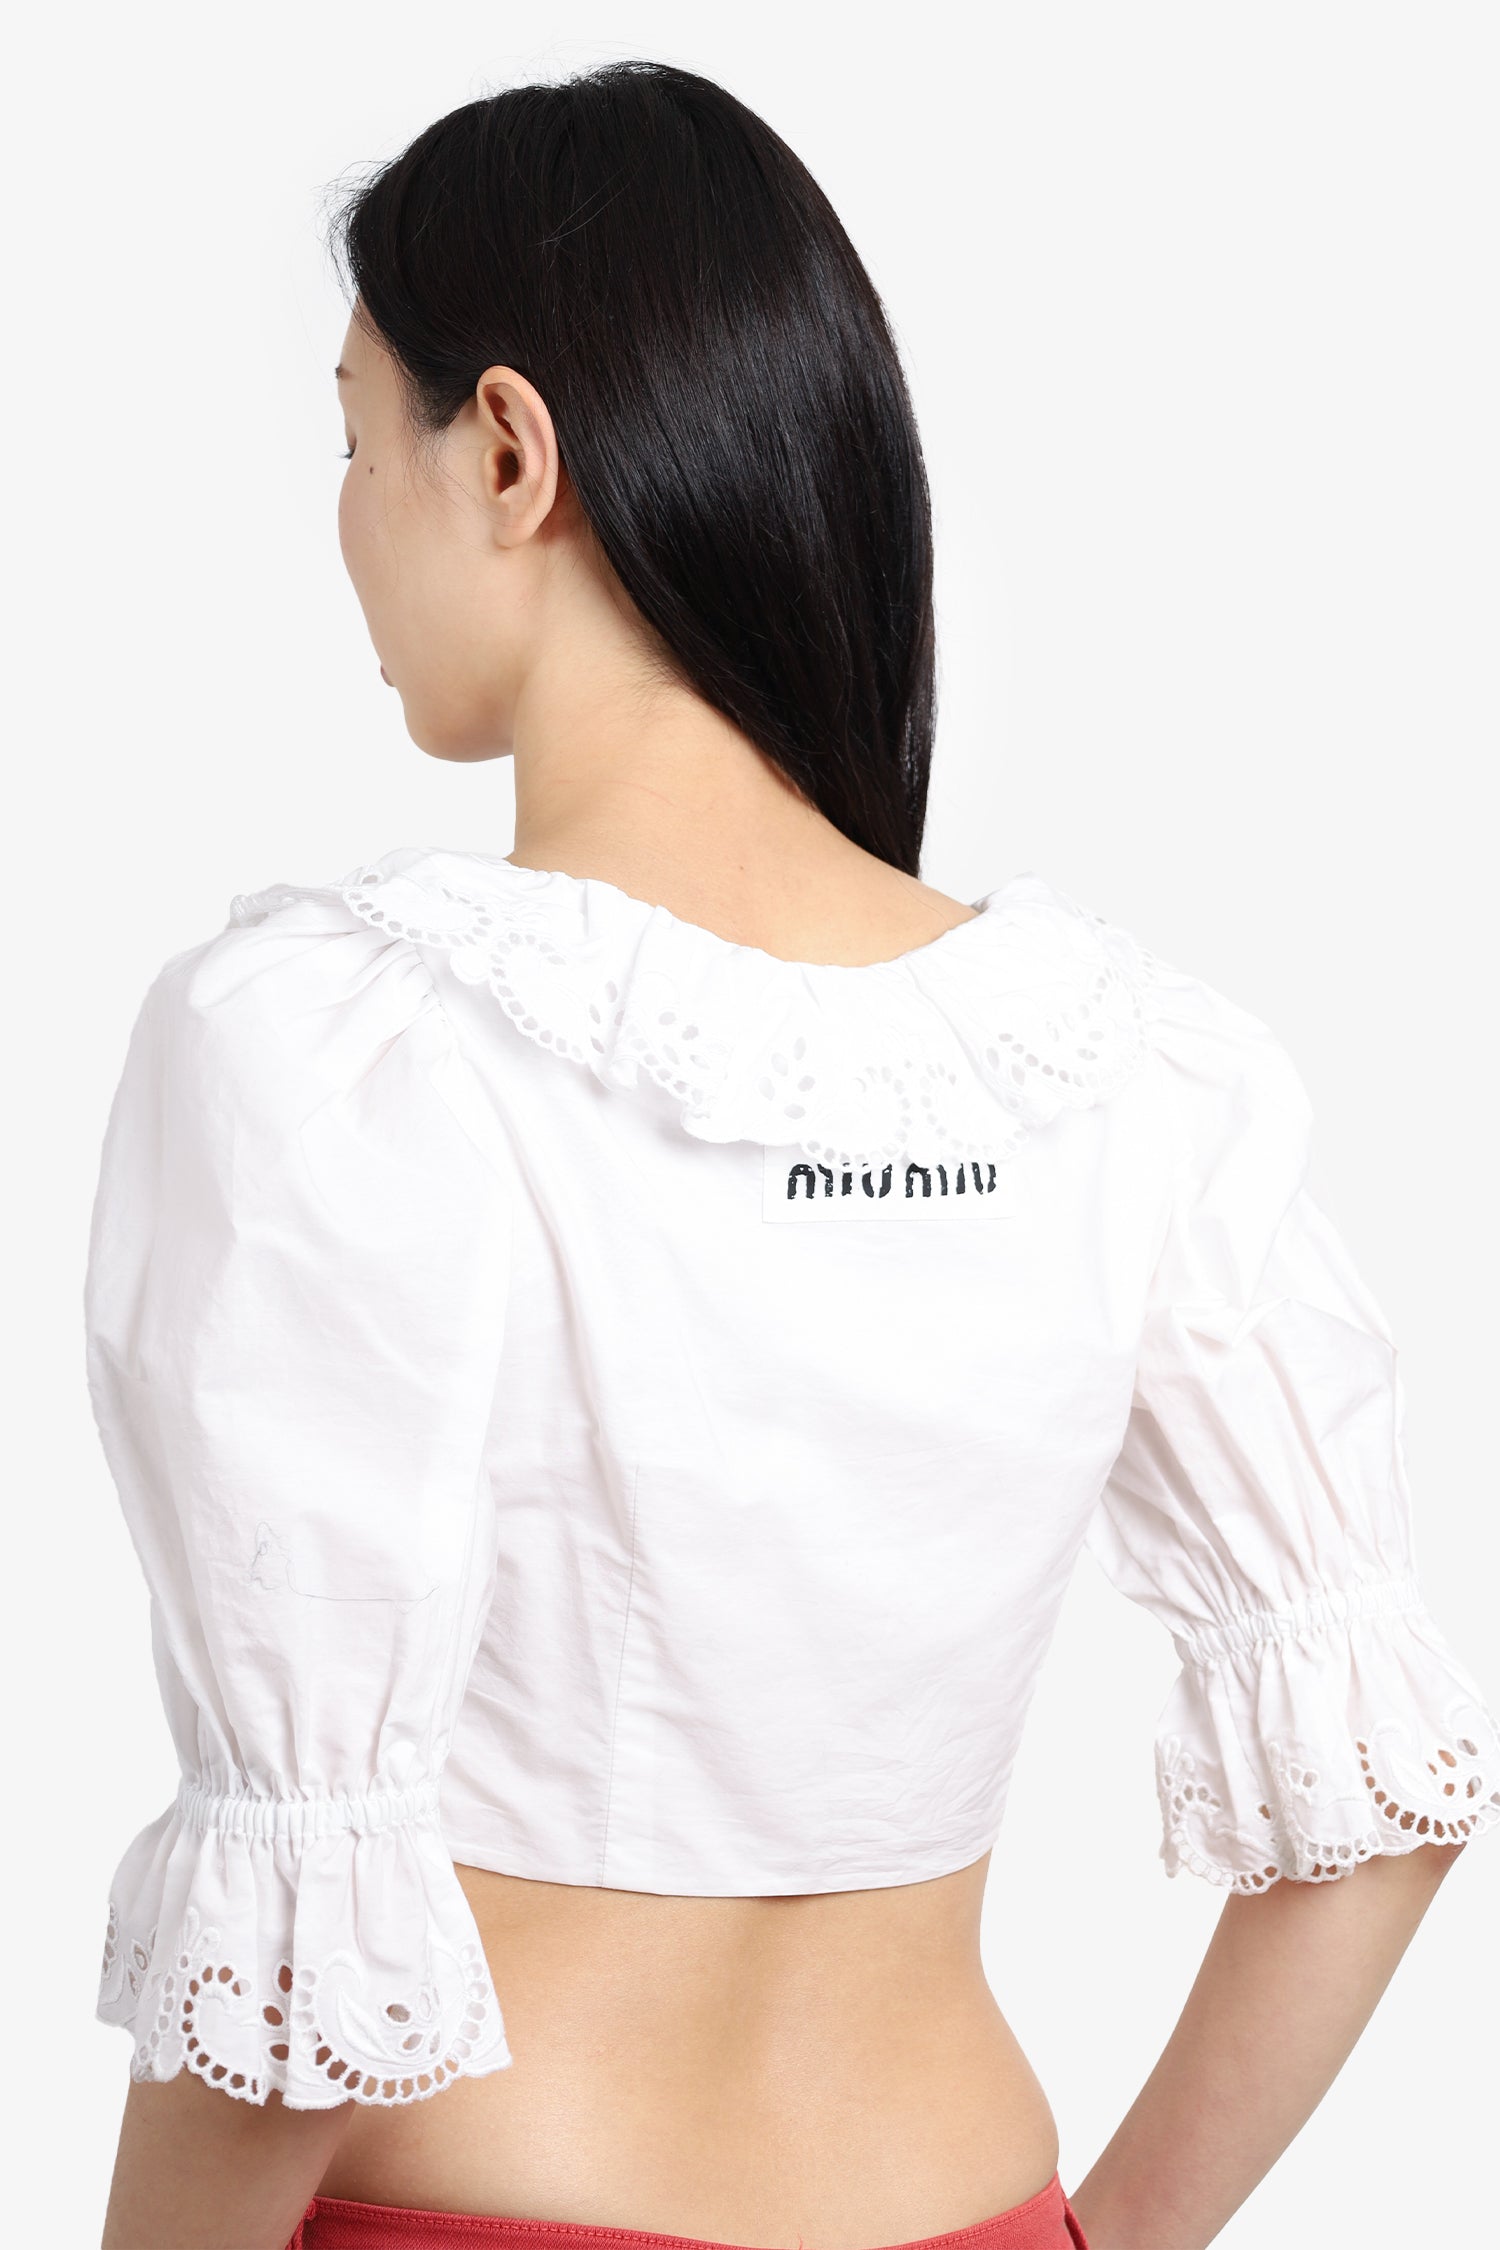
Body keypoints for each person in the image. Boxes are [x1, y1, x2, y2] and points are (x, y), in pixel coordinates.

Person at [84, 58, 1498, 2250]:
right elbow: (1385, 1805)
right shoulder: (1130, 1071)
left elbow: (285, 1962)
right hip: (975, 2203)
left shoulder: (341, 1050)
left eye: (355, 438)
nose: (344, 517)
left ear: (510, 453)